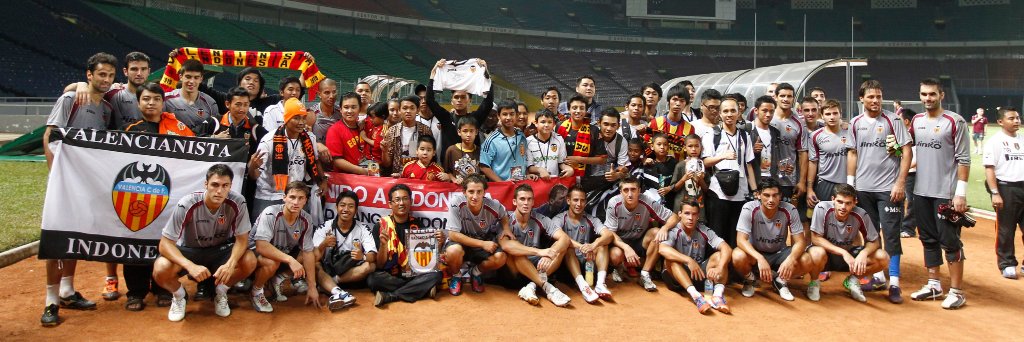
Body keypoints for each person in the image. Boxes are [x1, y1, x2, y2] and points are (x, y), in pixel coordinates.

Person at [40, 52, 117, 326]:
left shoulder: (107, 109)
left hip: (86, 185)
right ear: (89, 75)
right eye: (101, 74)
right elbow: (49, 136)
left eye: (110, 75)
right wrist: (57, 176)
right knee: (56, 240)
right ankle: (50, 301)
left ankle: (67, 291)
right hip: (64, 183)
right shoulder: (71, 99)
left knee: (74, 237)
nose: (106, 80)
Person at [152, 164, 258, 322]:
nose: (219, 191)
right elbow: (164, 244)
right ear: (206, 184)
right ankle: (179, 295)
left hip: (220, 250)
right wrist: (190, 266)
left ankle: (220, 292)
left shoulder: (238, 201)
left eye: (225, 186)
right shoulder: (187, 203)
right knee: (160, 268)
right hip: (190, 250)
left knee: (249, 260)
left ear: (230, 186)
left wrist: (230, 264)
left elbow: (242, 239)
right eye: (215, 185)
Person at [846, 80, 913, 303]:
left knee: (891, 234)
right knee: (871, 235)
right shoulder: (855, 123)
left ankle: (894, 283)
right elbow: (852, 153)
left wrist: (900, 183)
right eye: (871, 97)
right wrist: (851, 185)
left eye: (878, 96)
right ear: (861, 99)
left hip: (888, 188)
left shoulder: (894, 120)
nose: (875, 101)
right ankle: (878, 276)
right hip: (863, 188)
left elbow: (906, 151)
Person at [907, 78, 970, 309]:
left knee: (950, 241)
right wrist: (893, 148)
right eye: (924, 94)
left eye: (932, 94)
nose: (928, 98)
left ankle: (957, 291)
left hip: (946, 192)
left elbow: (964, 159)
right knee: (928, 238)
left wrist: (960, 193)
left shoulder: (955, 121)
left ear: (941, 95)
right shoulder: (916, 121)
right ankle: (934, 284)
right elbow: (906, 149)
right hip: (921, 191)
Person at [732, 178, 814, 302]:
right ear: (758, 195)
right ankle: (750, 280)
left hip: (779, 254)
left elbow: (800, 242)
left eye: (775, 195)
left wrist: (791, 259)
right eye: (766, 195)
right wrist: (760, 258)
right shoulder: (749, 208)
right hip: (756, 254)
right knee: (737, 255)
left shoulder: (790, 209)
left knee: (806, 260)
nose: (771, 200)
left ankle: (780, 280)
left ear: (780, 196)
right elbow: (740, 240)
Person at [805, 184, 890, 302]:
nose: (843, 207)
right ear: (833, 199)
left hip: (848, 257)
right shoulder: (822, 208)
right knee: (816, 253)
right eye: (839, 202)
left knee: (883, 257)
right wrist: (843, 253)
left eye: (848, 203)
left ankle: (853, 280)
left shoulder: (861, 214)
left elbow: (874, 242)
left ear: (855, 202)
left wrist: (863, 253)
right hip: (826, 256)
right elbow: (816, 239)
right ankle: (814, 282)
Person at [249, 98, 326, 226]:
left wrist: (322, 179)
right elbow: (254, 175)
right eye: (296, 118)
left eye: (303, 118)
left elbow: (315, 160)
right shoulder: (269, 140)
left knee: (296, 234)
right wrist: (253, 167)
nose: (301, 122)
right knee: (260, 234)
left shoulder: (309, 138)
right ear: (286, 118)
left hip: (295, 196)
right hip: (269, 196)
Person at [248, 182, 319, 313]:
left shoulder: (306, 219)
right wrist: (290, 260)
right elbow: (261, 246)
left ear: (305, 201)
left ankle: (277, 279)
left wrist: (312, 286)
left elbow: (308, 252)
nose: (296, 202)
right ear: (284, 197)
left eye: (301, 198)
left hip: (281, 254)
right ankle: (256, 291)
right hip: (254, 256)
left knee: (314, 252)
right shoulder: (271, 213)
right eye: (292, 197)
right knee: (272, 262)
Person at [369, 184, 443, 307]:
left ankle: (392, 296)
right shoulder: (381, 226)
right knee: (373, 279)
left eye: (405, 199)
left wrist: (438, 244)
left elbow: (427, 262)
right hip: (391, 274)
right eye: (397, 200)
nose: (401, 203)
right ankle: (420, 290)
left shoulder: (417, 225)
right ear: (390, 204)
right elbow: (380, 265)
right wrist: (383, 245)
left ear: (410, 201)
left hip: (413, 274)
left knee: (436, 275)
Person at [499, 185, 573, 307]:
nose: (526, 203)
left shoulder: (540, 218)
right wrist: (539, 252)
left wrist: (549, 254)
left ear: (533, 202)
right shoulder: (506, 220)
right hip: (515, 273)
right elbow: (505, 245)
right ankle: (547, 287)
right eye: (522, 199)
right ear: (514, 202)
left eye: (529, 199)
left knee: (560, 249)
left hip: (539, 269)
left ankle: (531, 286)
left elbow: (564, 238)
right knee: (516, 251)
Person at [604, 176, 681, 291]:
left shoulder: (646, 201)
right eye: (626, 190)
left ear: (639, 191)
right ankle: (619, 267)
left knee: (656, 232)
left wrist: (665, 227)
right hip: (620, 243)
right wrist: (626, 248)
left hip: (639, 241)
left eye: (633, 190)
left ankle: (645, 274)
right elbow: (610, 233)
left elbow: (674, 217)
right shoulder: (614, 203)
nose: (630, 194)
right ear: (620, 192)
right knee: (615, 255)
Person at [444, 174, 512, 295]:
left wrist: (506, 228)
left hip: (482, 241)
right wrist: (483, 244)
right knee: (453, 251)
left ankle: (475, 273)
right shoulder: (456, 202)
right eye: (471, 192)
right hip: (462, 242)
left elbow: (503, 215)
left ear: (484, 192)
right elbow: (453, 234)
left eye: (479, 192)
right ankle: (456, 275)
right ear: (464, 192)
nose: (475, 196)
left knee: (501, 258)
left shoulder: (494, 205)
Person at [660, 199, 732, 314]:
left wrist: (719, 268)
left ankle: (717, 296)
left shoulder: (703, 230)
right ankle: (697, 297)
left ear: (698, 216)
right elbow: (662, 249)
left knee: (719, 256)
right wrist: (688, 260)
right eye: (687, 213)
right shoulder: (674, 230)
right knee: (669, 260)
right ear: (680, 214)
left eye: (694, 214)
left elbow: (726, 248)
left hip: (698, 274)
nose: (690, 218)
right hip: (678, 278)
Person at [703, 98, 757, 247]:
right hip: (718, 192)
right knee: (717, 235)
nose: (729, 114)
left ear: (739, 113)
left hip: (741, 191)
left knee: (737, 236)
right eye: (725, 111)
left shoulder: (745, 136)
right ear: (720, 114)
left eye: (733, 110)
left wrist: (754, 190)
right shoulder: (712, 134)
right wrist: (722, 156)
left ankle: (734, 261)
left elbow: (749, 165)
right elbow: (705, 162)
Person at [312, 190, 375, 311]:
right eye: (342, 205)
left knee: (370, 266)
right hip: (327, 268)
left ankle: (331, 284)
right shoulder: (324, 227)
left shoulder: (363, 228)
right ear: (336, 207)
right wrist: (323, 245)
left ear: (356, 210)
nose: (346, 209)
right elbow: (313, 257)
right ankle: (340, 293)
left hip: (347, 270)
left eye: (351, 206)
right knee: (315, 265)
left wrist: (362, 256)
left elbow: (372, 256)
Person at [553, 186, 615, 302]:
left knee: (603, 244)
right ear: (568, 201)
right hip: (567, 267)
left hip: (588, 263)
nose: (579, 204)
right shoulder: (559, 219)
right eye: (575, 200)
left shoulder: (591, 219)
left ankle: (600, 284)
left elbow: (608, 235)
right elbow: (561, 237)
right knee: (567, 246)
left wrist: (593, 245)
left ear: (586, 202)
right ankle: (584, 287)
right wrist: (581, 247)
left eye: (582, 200)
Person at [426, 59, 495, 161]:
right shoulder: (446, 118)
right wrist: (433, 74)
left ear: (470, 100)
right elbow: (429, 100)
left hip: (473, 167)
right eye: (456, 97)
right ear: (451, 101)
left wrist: (486, 74)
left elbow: (488, 102)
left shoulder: (475, 118)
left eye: (463, 97)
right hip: (449, 167)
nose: (459, 100)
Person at [983, 107, 1024, 279]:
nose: (1016, 121)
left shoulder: (1022, 139)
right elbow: (989, 169)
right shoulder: (995, 142)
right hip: (1006, 188)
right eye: (1011, 118)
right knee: (1006, 229)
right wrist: (995, 192)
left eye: (1018, 118)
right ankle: (1007, 263)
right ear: (1000, 122)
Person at [770, 83, 810, 220]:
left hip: (787, 179)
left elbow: (803, 153)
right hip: (767, 177)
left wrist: (802, 181)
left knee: (787, 218)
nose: (786, 99)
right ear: (776, 97)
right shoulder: (767, 117)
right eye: (782, 96)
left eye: (789, 96)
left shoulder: (799, 123)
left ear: (793, 99)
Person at [807, 100, 854, 210]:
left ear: (840, 114)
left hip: (847, 183)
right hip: (825, 183)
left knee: (846, 216)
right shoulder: (815, 136)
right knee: (824, 216)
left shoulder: (851, 132)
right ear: (822, 116)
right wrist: (809, 188)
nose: (832, 117)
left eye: (835, 113)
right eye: (828, 114)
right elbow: (813, 162)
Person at [163, 59, 218, 137]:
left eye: (196, 77)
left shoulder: (210, 103)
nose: (192, 81)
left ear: (201, 79)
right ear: (181, 77)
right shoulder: (166, 99)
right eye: (188, 77)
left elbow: (213, 130)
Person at [480, 100, 533, 181]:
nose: (508, 117)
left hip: (521, 184)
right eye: (505, 114)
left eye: (512, 114)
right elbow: (483, 166)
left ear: (516, 115)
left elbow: (523, 159)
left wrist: (527, 175)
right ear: (498, 116)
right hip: (503, 186)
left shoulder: (521, 135)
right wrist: (502, 183)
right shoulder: (491, 140)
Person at [381, 95, 433, 175]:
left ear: (417, 110)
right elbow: (387, 164)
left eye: (412, 108)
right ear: (399, 110)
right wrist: (384, 151)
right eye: (405, 108)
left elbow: (430, 158)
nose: (408, 111)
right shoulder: (391, 131)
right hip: (397, 175)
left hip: (419, 176)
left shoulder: (425, 131)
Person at [558, 95, 608, 177]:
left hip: (584, 177)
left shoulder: (594, 130)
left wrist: (579, 159)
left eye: (581, 108)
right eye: (574, 108)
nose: (578, 111)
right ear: (569, 110)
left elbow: (603, 159)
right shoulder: (559, 127)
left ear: (586, 110)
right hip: (560, 174)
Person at [123, 82, 195, 137]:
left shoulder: (179, 127)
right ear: (138, 103)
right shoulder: (128, 130)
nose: (151, 103)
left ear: (163, 103)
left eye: (157, 99)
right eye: (146, 99)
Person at [325, 92, 372, 175]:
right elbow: (337, 161)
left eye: (353, 107)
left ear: (360, 109)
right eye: (346, 107)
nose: (350, 111)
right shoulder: (334, 130)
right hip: (347, 179)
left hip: (368, 175)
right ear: (340, 109)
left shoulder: (364, 127)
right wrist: (363, 171)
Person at [648, 87, 697, 160]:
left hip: (680, 166)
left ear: (686, 103)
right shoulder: (655, 123)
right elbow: (648, 147)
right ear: (668, 101)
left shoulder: (690, 128)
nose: (678, 104)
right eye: (674, 99)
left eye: (682, 101)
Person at [527, 109, 573, 179]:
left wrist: (569, 169)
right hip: (536, 181)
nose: (546, 125)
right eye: (543, 122)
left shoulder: (559, 139)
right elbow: (529, 166)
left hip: (554, 180)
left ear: (553, 124)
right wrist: (540, 170)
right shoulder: (528, 141)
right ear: (536, 123)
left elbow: (561, 162)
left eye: (550, 122)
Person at [749, 95, 783, 186]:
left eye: (771, 111)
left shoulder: (775, 132)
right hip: (752, 180)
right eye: (764, 111)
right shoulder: (747, 130)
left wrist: (782, 166)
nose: (768, 115)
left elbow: (776, 156)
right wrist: (751, 151)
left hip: (771, 179)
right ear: (756, 111)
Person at [669, 134, 706, 213]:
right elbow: (674, 188)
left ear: (701, 148)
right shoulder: (680, 165)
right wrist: (683, 179)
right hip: (681, 205)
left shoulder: (703, 165)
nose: (694, 149)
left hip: (699, 205)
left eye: (697, 146)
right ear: (685, 148)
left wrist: (700, 180)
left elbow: (706, 190)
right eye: (690, 146)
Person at [899, 108, 919, 238]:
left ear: (906, 121)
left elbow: (918, 158)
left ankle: (909, 228)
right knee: (899, 199)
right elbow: (899, 154)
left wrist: (904, 168)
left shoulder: (916, 136)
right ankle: (899, 225)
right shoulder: (901, 135)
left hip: (913, 174)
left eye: (899, 118)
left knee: (912, 201)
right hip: (904, 173)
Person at [444, 116, 482, 185]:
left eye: (471, 131)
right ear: (459, 132)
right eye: (465, 131)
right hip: (456, 188)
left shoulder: (480, 151)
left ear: (476, 132)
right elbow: (447, 171)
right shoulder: (451, 150)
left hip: (474, 188)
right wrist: (454, 180)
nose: (468, 135)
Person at [308, 78, 340, 143]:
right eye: (327, 93)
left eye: (334, 92)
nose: (331, 96)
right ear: (319, 94)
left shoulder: (341, 112)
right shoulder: (311, 113)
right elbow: (306, 139)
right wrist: (317, 145)